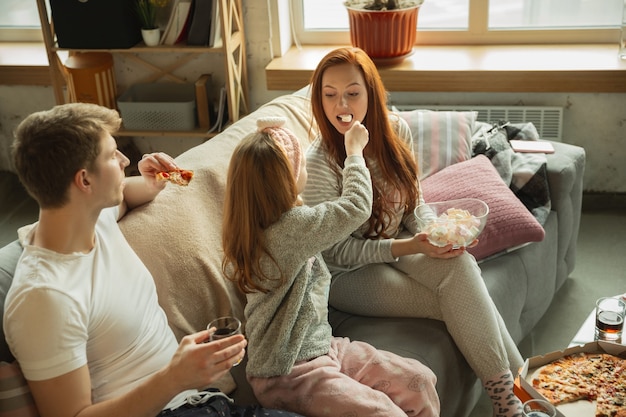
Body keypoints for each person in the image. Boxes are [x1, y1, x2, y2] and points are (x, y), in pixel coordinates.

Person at [4, 102, 303, 417]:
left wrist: (152, 182)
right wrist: (173, 379)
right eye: (112, 155)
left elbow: (130, 193)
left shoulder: (90, 216)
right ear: (85, 181)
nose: (124, 160)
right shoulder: (43, 297)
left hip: (203, 402)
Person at [301, 47, 526, 417]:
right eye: (329, 94)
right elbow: (336, 252)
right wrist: (409, 246)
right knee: (461, 301)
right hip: (348, 274)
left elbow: (413, 203)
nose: (341, 103)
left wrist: (433, 236)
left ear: (371, 93)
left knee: (461, 267)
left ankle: (517, 398)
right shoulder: (320, 162)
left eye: (352, 92)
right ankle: (519, 397)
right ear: (319, 98)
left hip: (398, 248)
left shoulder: (396, 131)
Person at [221, 116, 440, 417]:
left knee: (419, 379)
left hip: (322, 347)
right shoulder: (290, 229)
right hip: (287, 374)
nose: (307, 168)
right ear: (287, 180)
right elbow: (356, 207)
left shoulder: (257, 228)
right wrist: (354, 153)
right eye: (302, 165)